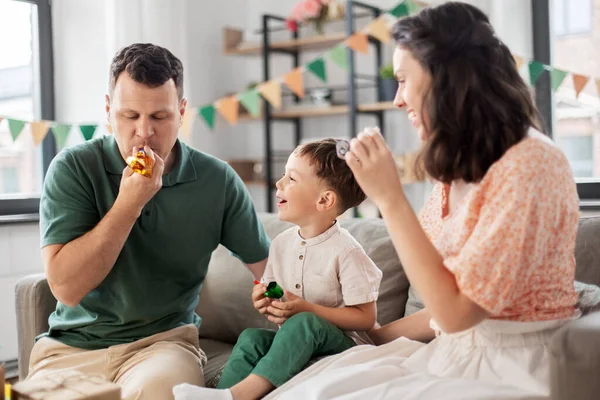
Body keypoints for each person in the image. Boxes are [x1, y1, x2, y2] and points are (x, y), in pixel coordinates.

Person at [257, 2, 580, 399]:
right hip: (457, 351)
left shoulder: (531, 164)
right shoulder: (458, 172)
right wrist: (372, 337)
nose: (397, 100)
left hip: (518, 365)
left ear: (446, 81)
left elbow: (457, 313)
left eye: (404, 80)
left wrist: (389, 198)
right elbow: (447, 316)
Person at [30, 43, 270, 400]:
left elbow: (270, 270)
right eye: (130, 116)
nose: (144, 133)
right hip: (70, 349)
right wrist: (128, 205)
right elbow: (65, 288)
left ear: (182, 112)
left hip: (164, 345)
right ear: (109, 111)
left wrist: (289, 299)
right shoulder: (74, 168)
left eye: (159, 117)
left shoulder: (216, 179)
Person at [173, 139, 383, 400]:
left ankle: (240, 395)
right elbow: (275, 288)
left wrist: (308, 309)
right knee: (251, 338)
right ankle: (220, 394)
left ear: (324, 200)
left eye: (291, 179)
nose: (279, 183)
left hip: (346, 348)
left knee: (306, 322)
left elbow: (365, 318)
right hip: (300, 344)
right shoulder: (282, 244)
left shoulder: (347, 252)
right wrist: (265, 297)